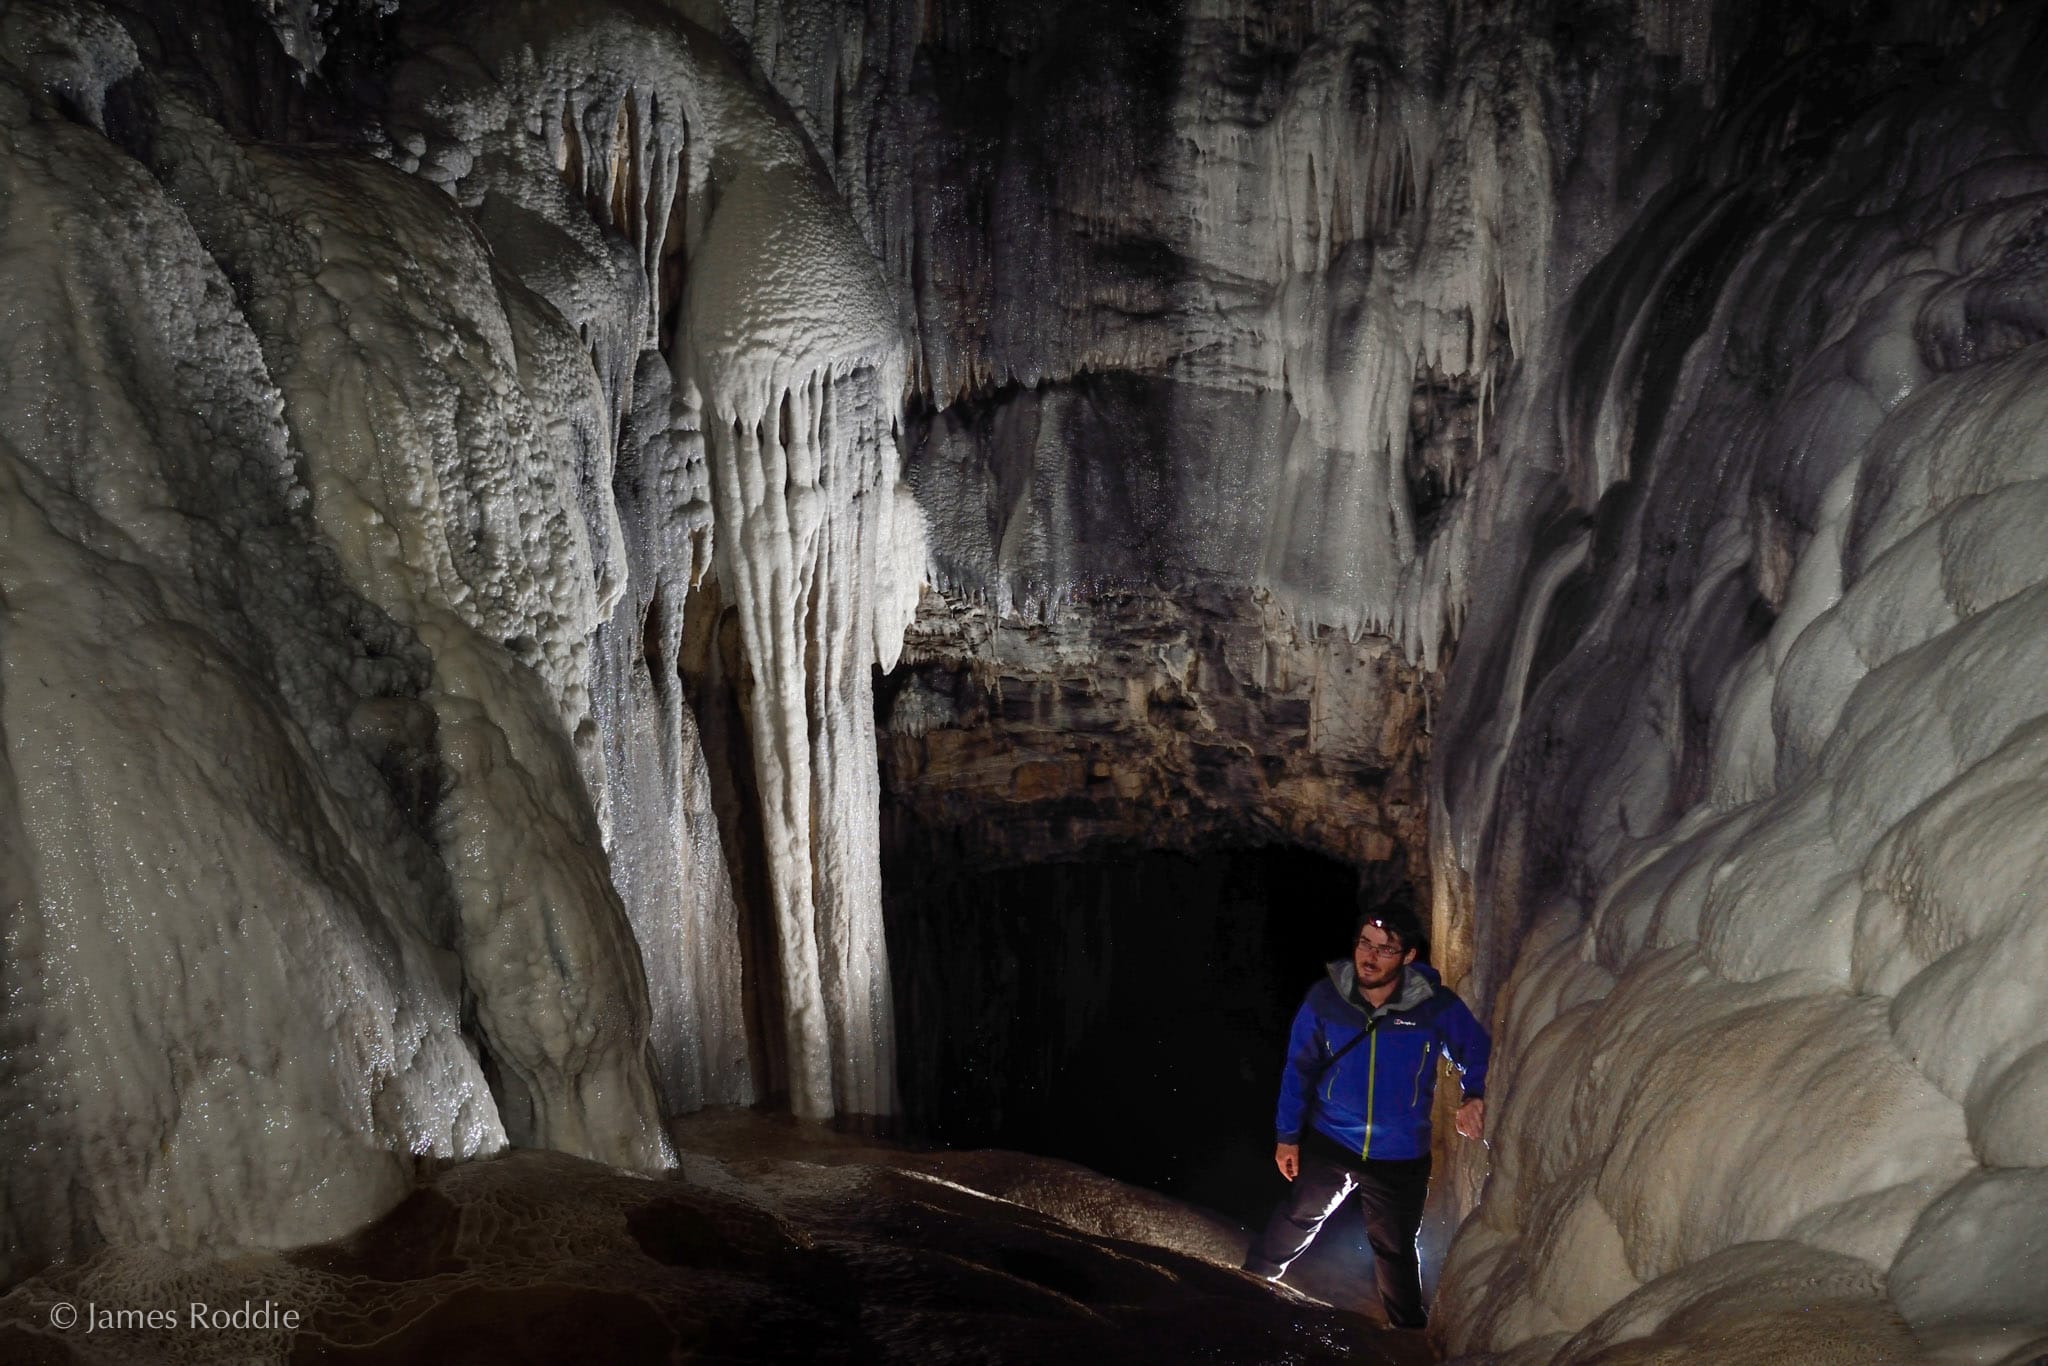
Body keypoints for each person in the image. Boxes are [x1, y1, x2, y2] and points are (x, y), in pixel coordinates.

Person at [1242, 903, 1491, 1329]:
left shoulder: (1434, 1007)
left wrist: (1474, 1094)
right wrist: (1287, 1135)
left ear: (1408, 957)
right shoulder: (1326, 999)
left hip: (1400, 1152)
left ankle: (1406, 1333)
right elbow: (1299, 1068)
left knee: (1395, 1249)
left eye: (1385, 949)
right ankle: (1250, 1285)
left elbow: (1475, 1048)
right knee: (1299, 1216)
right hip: (1332, 1137)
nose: (1369, 956)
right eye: (1364, 943)